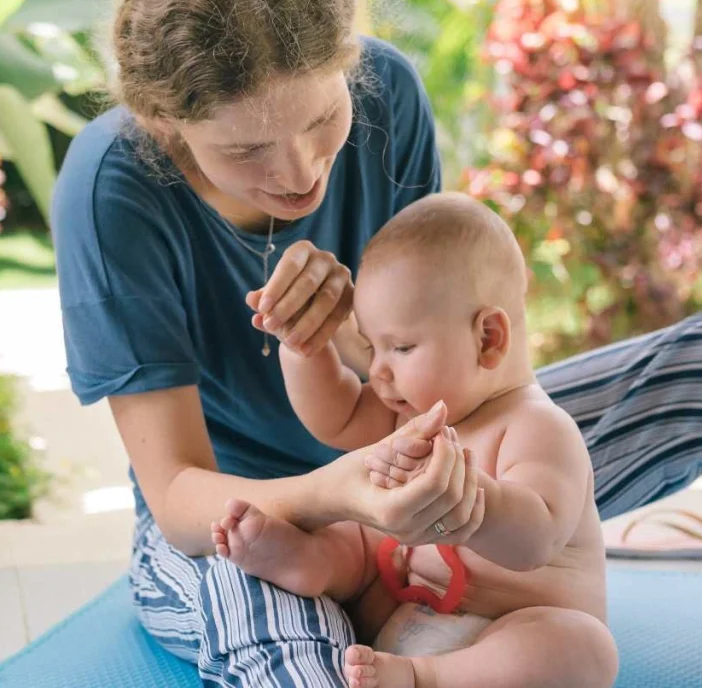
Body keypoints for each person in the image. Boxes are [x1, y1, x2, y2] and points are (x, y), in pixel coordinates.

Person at [50, 0, 702, 685]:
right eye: (246, 150)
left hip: (434, 457)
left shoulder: (386, 95)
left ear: (348, 66)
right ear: (166, 125)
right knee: (302, 648)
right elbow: (177, 498)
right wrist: (343, 491)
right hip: (249, 515)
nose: (299, 173)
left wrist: (347, 340)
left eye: (322, 120)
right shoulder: (112, 188)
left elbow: (417, 366)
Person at [212, 193, 617, 688]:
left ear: (488, 338)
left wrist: (465, 496)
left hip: (507, 638)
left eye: (400, 347)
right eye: (371, 346)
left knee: (584, 649)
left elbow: (538, 538)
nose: (378, 370)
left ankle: (425, 678)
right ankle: (304, 561)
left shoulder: (538, 428)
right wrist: (305, 349)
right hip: (405, 607)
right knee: (357, 531)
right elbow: (334, 417)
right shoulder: (408, 413)